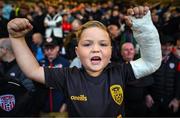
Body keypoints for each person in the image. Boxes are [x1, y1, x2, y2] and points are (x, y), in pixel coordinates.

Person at [7, 6, 162, 117]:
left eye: (103, 44)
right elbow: (32, 71)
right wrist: (17, 38)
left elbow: (151, 62)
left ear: (111, 51)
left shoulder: (120, 71)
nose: (95, 49)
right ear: (77, 52)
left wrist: (145, 28)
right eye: (87, 44)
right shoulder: (68, 76)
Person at [145, 34, 180, 117]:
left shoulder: (177, 61)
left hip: (170, 102)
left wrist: (177, 99)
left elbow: (179, 81)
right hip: (153, 101)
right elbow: (145, 78)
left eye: (169, 45)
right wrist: (146, 95)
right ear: (159, 45)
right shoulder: (151, 59)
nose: (167, 48)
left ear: (172, 47)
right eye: (164, 45)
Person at [120, 42, 153, 116]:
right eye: (126, 50)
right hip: (124, 106)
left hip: (140, 104)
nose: (129, 52)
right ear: (121, 53)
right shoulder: (117, 67)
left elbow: (147, 81)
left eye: (131, 49)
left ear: (134, 51)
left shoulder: (141, 65)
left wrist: (147, 94)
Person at [39, 36, 70, 113]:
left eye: (52, 48)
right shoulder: (39, 63)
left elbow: (70, 86)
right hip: (43, 109)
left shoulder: (65, 63)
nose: (49, 51)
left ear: (57, 48)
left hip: (61, 108)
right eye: (46, 49)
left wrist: (65, 104)